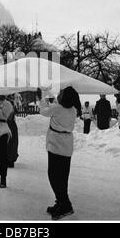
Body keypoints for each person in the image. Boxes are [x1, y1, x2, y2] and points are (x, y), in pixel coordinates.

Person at [38, 86, 82, 220]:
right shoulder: (73, 109)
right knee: (62, 177)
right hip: (66, 145)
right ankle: (61, 202)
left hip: (56, 144)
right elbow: (54, 106)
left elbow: (43, 111)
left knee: (54, 176)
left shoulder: (57, 108)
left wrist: (41, 98)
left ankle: (65, 205)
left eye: (61, 93)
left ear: (65, 97)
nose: (59, 94)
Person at [6, 99, 19, 168]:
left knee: (11, 143)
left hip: (9, 126)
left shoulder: (8, 105)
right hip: (9, 125)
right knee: (11, 143)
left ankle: (9, 160)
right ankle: (9, 160)